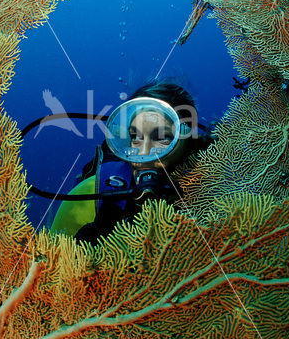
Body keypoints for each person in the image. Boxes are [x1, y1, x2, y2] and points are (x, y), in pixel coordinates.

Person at [50, 81, 211, 244]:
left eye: (162, 138)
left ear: (187, 141)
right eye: (136, 137)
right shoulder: (93, 193)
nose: (143, 154)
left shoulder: (216, 188)